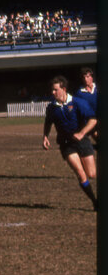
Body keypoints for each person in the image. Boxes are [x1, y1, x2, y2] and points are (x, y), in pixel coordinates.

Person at [43, 75, 98, 210]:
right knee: (80, 173)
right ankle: (95, 201)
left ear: (64, 89)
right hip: (66, 144)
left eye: (55, 90)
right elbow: (48, 122)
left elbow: (93, 120)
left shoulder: (78, 103)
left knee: (92, 174)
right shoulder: (51, 107)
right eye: (52, 90)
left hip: (82, 141)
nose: (53, 92)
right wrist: (45, 136)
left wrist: (82, 133)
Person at [75, 67, 98, 148]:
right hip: (89, 121)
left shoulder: (99, 88)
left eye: (87, 77)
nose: (85, 79)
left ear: (92, 77)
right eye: (84, 77)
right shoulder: (79, 93)